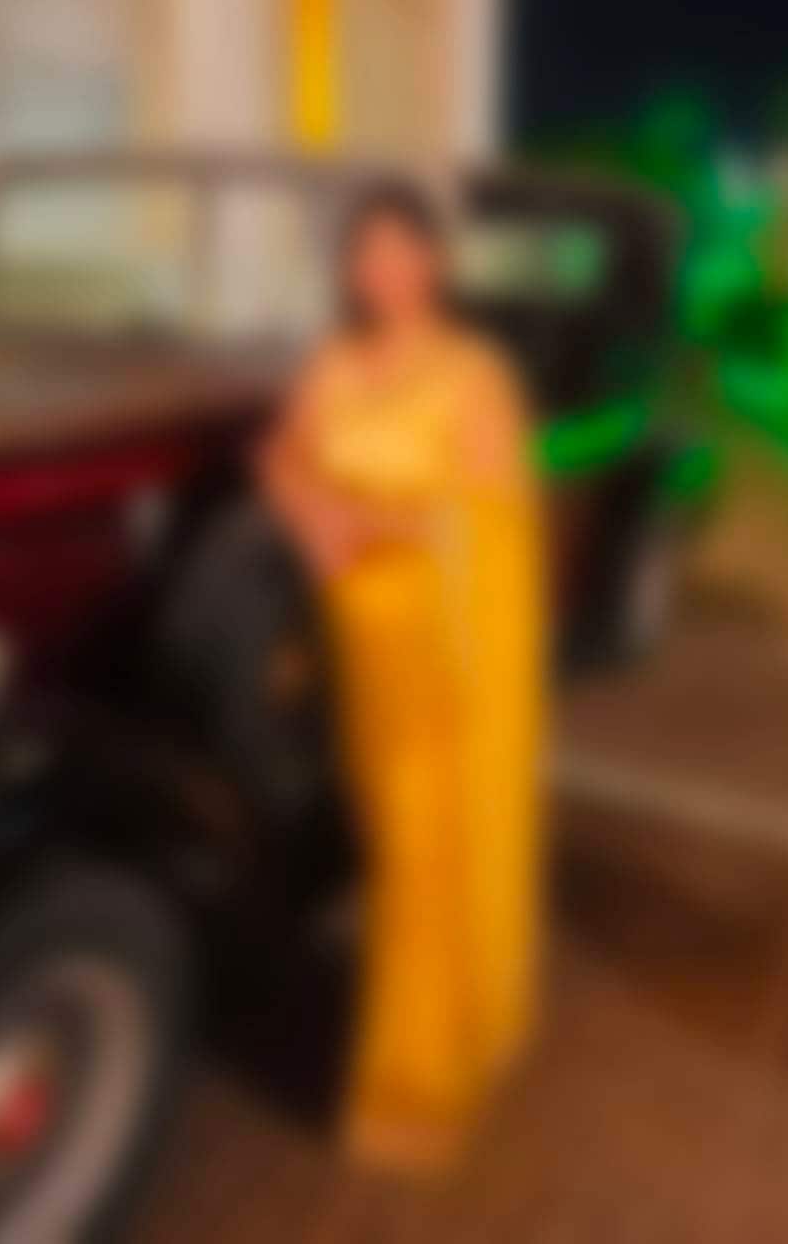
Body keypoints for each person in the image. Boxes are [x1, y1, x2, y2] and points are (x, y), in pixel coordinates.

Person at [261, 180, 545, 1173]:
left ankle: (418, 1085)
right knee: (390, 845)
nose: (382, 268)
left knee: (425, 855)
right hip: (356, 641)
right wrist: (311, 518)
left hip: (440, 646)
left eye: (400, 248)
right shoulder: (332, 362)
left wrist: (368, 519)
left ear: (434, 260)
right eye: (365, 251)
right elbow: (280, 457)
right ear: (350, 270)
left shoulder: (473, 372)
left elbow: (491, 518)